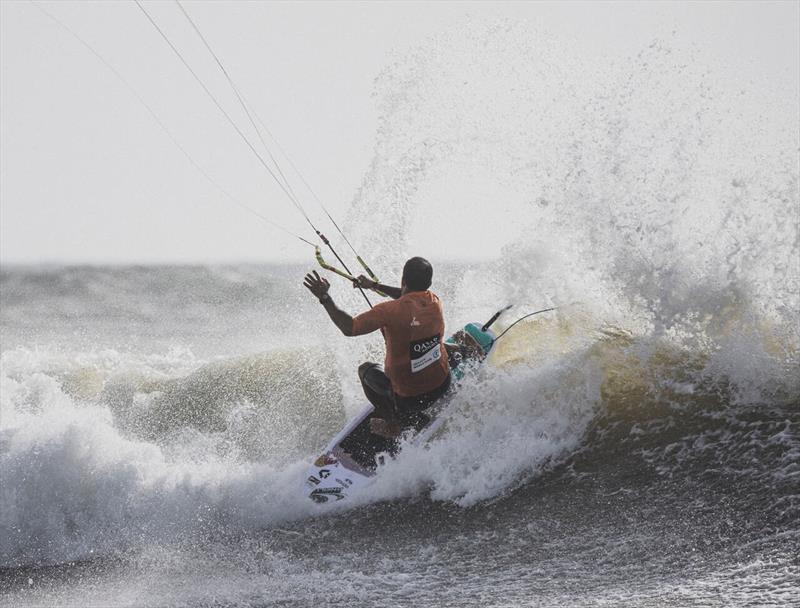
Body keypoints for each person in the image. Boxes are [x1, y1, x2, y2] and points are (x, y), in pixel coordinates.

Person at [302, 257, 450, 439]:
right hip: (442, 384)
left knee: (365, 370)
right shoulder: (435, 301)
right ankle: (460, 351)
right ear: (429, 284)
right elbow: (408, 298)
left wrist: (325, 297)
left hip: (410, 400)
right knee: (440, 345)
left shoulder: (388, 311)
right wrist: (374, 286)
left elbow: (349, 328)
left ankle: (393, 423)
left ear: (403, 281)